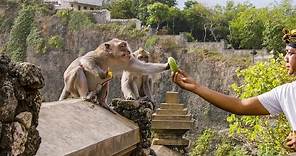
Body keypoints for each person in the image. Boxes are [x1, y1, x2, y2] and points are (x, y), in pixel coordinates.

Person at [172, 31, 296, 152]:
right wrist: (196, 87)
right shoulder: (286, 93)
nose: (285, 58)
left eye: (290, 53)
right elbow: (240, 105)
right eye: (286, 53)